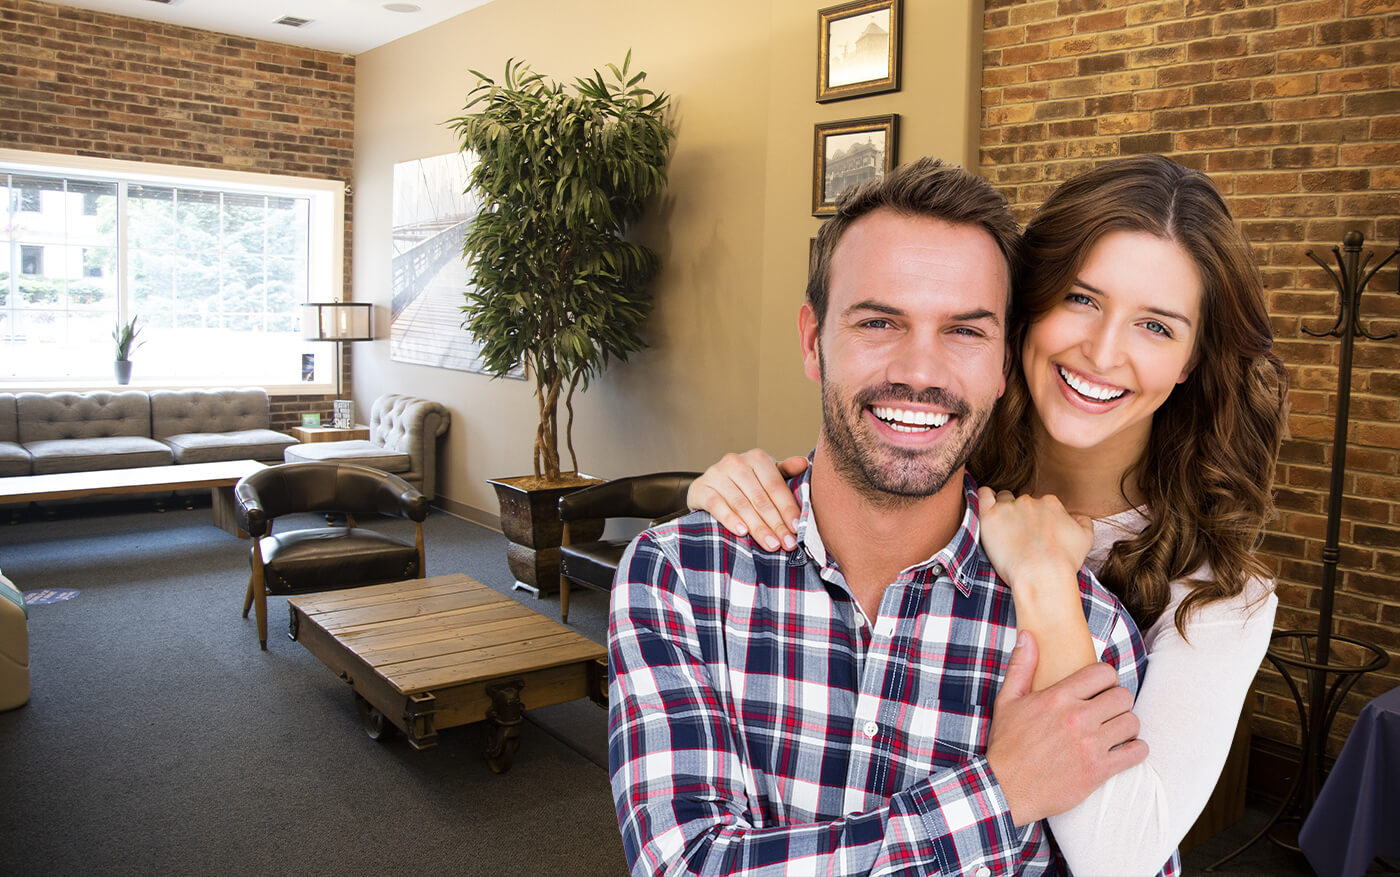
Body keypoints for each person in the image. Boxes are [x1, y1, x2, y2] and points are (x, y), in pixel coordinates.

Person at [687, 154, 1287, 876]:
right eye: (1082, 299)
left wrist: (1046, 589)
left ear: (1192, 358)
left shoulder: (1219, 596)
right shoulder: (937, 458)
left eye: (1156, 327)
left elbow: (1123, 857)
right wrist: (734, 491)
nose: (1101, 351)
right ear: (1020, 315)